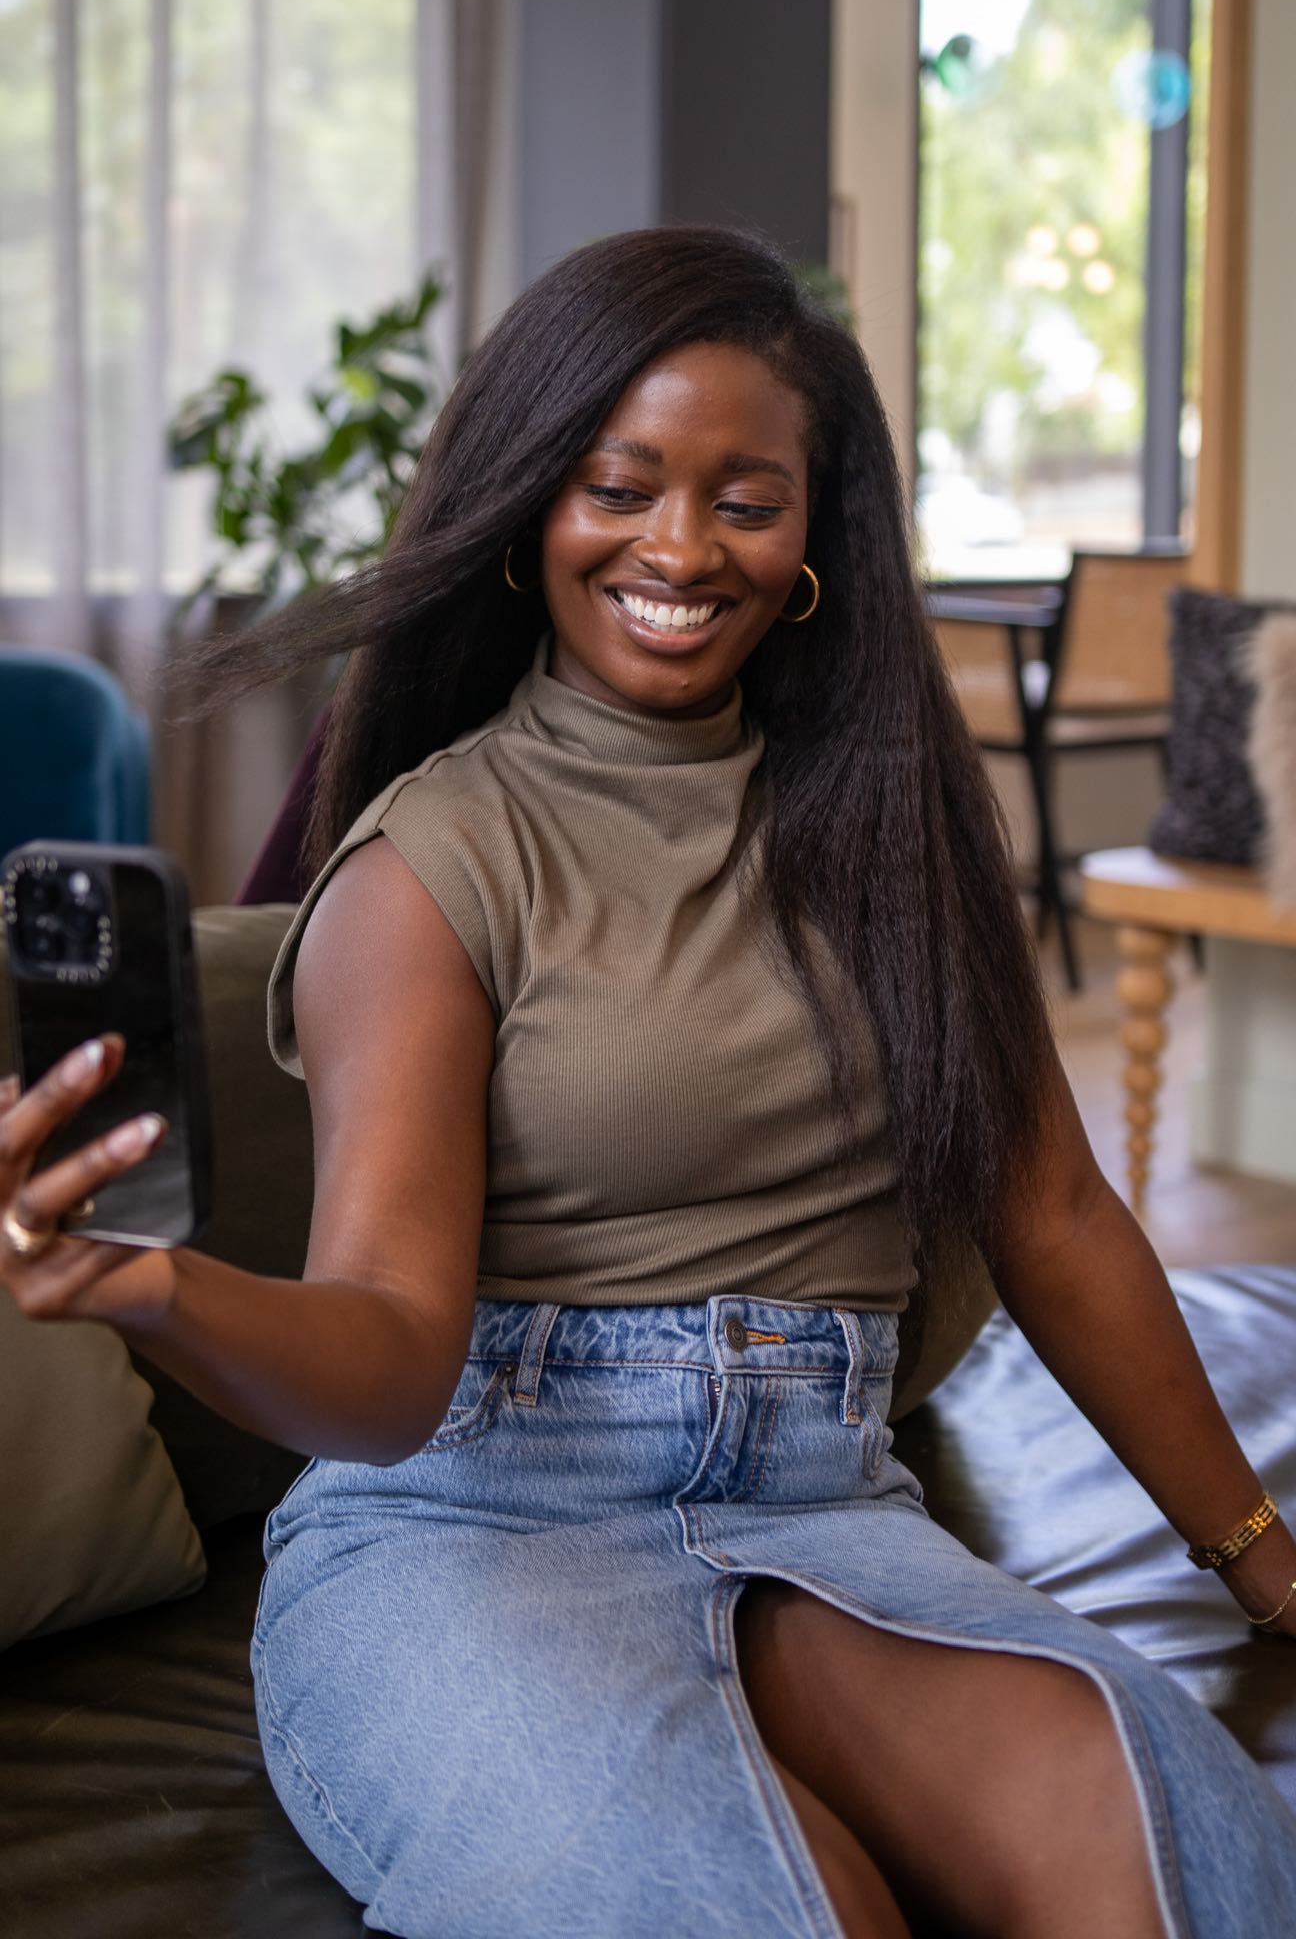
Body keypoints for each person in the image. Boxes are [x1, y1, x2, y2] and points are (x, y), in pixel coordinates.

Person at [3, 227, 1296, 1939]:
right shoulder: (431, 863)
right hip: (472, 1524)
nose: (679, 547)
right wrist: (150, 1285)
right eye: (618, 488)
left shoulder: (900, 828)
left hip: (826, 1499)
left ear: (815, 538)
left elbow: (1051, 1211)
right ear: (535, 511)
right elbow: (389, 1356)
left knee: (1182, 1858)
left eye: (744, 500)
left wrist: (1264, 1563)